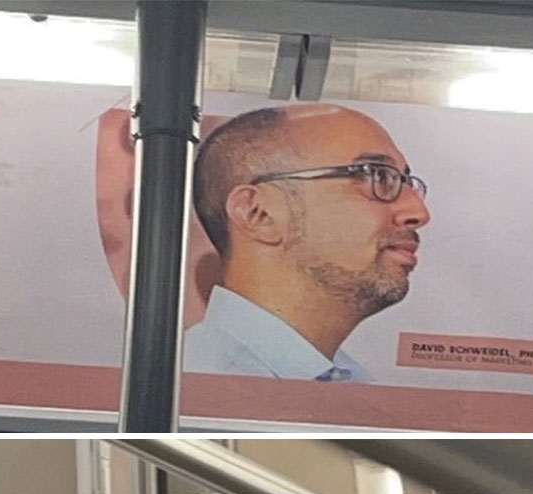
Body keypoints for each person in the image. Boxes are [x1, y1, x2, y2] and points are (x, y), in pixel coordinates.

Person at [183, 103, 431, 382]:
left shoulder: (347, 384)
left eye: (406, 181)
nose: (419, 213)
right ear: (259, 213)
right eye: (377, 175)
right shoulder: (199, 393)